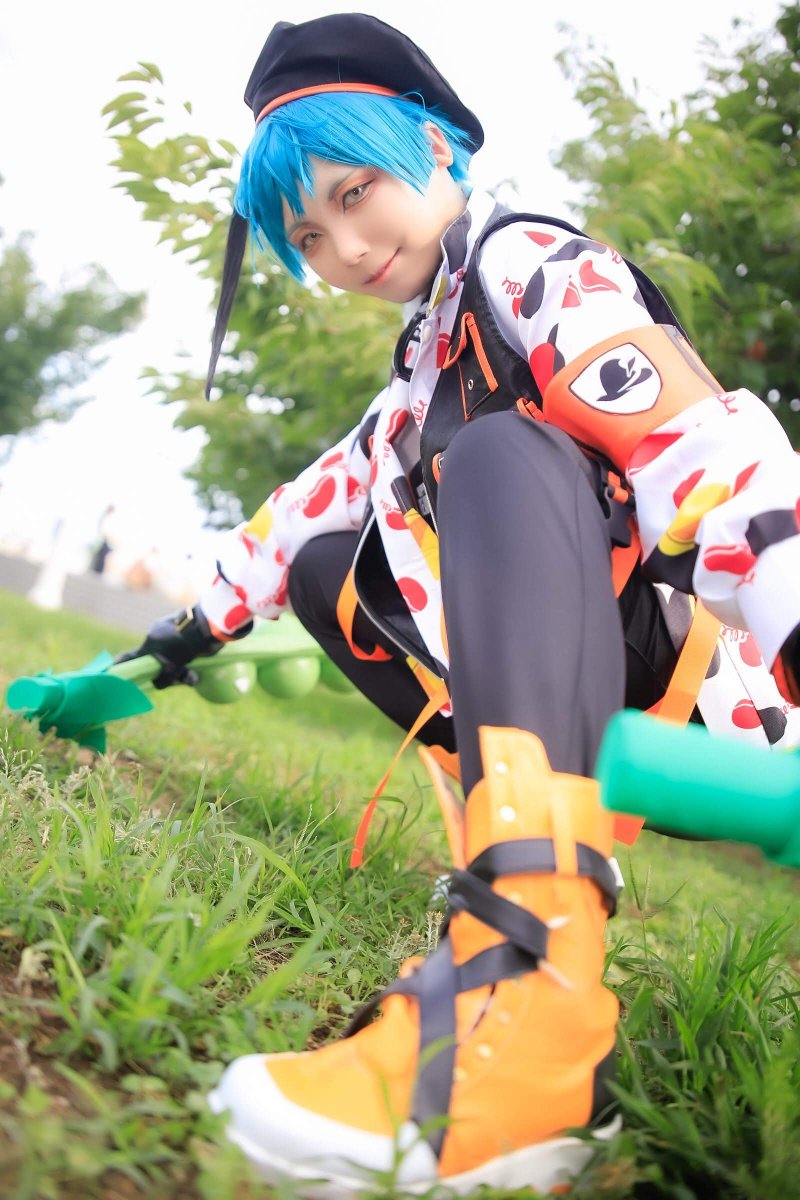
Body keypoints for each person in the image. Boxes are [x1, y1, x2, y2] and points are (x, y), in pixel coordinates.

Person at [118, 14, 800, 1195]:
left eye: (356, 191)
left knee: (498, 456)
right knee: (331, 565)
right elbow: (301, 510)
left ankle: (531, 997)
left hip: (706, 697)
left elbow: (710, 455)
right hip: (597, 705)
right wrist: (169, 645)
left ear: (435, 146)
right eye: (307, 236)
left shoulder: (530, 264)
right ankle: (534, 857)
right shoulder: (421, 364)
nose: (343, 246)